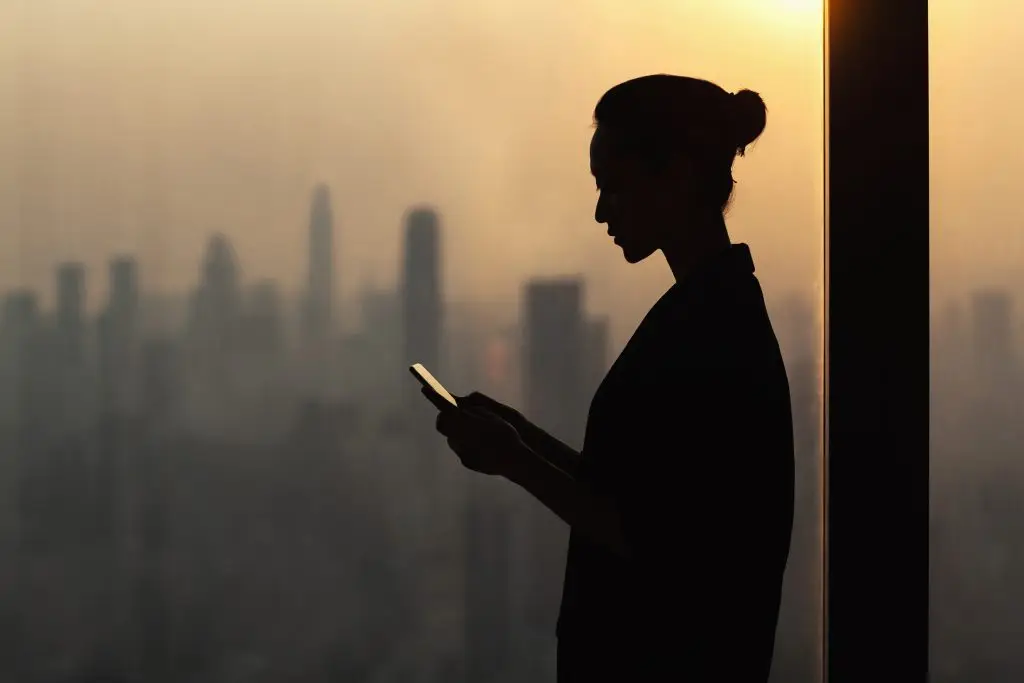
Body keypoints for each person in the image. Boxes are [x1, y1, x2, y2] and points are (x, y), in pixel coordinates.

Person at [430, 74, 795, 681]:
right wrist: (521, 438)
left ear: (675, 176)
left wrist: (517, 460)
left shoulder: (711, 332)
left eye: (613, 187)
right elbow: (642, 498)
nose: (601, 211)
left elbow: (659, 542)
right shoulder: (706, 312)